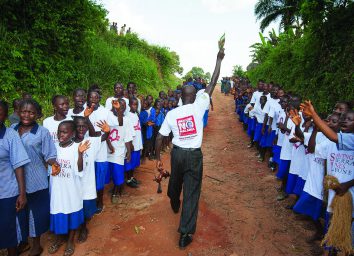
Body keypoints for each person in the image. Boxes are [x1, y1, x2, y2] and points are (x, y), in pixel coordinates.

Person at [154, 47, 225, 249]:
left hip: (176, 155)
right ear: (194, 96)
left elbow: (160, 137)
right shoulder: (199, 105)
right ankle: (185, 234)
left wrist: (158, 158)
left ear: (180, 97)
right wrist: (219, 58)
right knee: (192, 192)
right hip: (194, 156)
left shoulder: (172, 114)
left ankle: (173, 199)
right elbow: (212, 82)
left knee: (175, 183)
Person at [13, 99, 58, 256]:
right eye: (24, 111)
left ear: (37, 115)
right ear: (18, 112)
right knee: (20, 212)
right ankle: (23, 241)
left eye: (31, 112)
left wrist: (55, 163)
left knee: (35, 214)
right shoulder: (12, 129)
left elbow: (50, 154)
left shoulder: (42, 132)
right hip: (15, 181)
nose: (27, 115)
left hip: (36, 180)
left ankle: (36, 245)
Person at [48, 120, 90, 256]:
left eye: (65, 132)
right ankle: (58, 240)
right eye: (60, 131)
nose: (61, 134)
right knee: (58, 214)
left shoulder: (77, 147)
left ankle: (70, 242)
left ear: (72, 134)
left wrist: (80, 154)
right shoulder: (53, 147)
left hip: (71, 191)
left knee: (72, 215)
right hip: (57, 190)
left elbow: (80, 169)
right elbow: (48, 163)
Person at [73, 115, 109, 243]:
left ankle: (84, 228)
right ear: (73, 127)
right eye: (78, 126)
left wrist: (107, 130)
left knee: (87, 209)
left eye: (84, 126)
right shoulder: (69, 143)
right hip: (73, 185)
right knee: (74, 207)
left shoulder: (90, 141)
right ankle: (75, 229)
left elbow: (103, 137)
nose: (81, 128)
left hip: (87, 184)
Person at [0, 100, 30, 256]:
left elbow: (19, 165)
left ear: (5, 116)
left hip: (7, 192)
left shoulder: (10, 135)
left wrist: (22, 193)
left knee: (9, 230)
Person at [106, 99, 133, 203]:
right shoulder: (108, 116)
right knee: (109, 173)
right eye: (118, 105)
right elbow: (105, 131)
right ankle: (114, 188)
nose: (120, 107)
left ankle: (116, 193)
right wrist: (109, 144)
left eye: (123, 106)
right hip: (107, 150)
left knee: (118, 174)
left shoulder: (126, 120)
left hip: (119, 151)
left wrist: (129, 151)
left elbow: (127, 137)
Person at [125, 97, 143, 188]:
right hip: (132, 144)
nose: (135, 106)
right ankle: (128, 180)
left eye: (136, 104)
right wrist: (131, 143)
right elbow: (128, 131)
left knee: (134, 163)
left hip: (137, 143)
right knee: (129, 162)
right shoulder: (128, 116)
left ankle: (131, 177)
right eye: (133, 104)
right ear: (129, 105)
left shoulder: (135, 114)